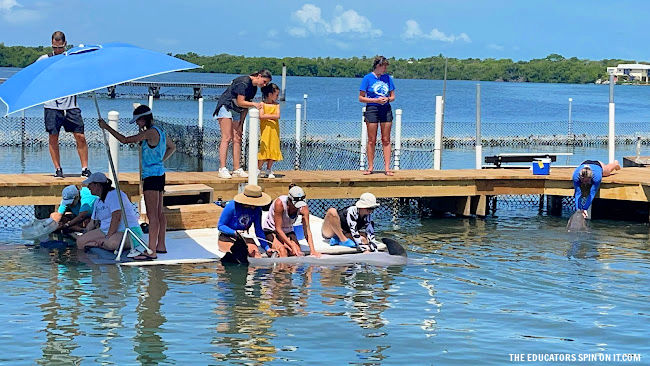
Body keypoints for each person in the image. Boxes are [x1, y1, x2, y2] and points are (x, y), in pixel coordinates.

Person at [99, 105, 176, 255]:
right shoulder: (161, 131)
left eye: (138, 120)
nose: (136, 123)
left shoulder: (149, 133)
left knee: (152, 215)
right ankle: (161, 245)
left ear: (144, 119)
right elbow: (172, 147)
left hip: (151, 178)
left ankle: (151, 250)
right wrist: (160, 160)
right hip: (160, 174)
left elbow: (125, 140)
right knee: (159, 213)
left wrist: (106, 127)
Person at [36, 31, 91, 179]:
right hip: (52, 105)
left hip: (70, 104)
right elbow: (34, 75)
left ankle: (85, 168)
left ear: (65, 44)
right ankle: (58, 169)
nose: (57, 50)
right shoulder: (44, 59)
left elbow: (84, 72)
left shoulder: (72, 59)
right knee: (53, 136)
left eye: (60, 47)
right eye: (55, 47)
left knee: (80, 136)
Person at [213, 70, 272, 179]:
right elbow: (241, 102)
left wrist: (241, 123)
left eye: (266, 83)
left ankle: (237, 169)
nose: (264, 85)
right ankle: (222, 168)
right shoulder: (244, 82)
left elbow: (245, 106)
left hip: (237, 110)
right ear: (259, 76)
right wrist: (254, 104)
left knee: (237, 138)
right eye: (264, 82)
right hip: (226, 106)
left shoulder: (253, 88)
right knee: (227, 137)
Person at [76, 173, 146, 258]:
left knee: (112, 243)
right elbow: (92, 223)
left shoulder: (114, 194)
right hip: (105, 231)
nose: (88, 187)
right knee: (80, 241)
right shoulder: (97, 201)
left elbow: (116, 218)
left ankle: (97, 243)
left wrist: (107, 237)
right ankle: (96, 246)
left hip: (126, 231)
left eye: (90, 184)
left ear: (97, 185)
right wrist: (85, 234)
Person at [359, 56, 396, 176]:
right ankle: (370, 167)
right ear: (378, 66)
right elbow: (361, 98)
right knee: (371, 140)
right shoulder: (367, 78)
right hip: (372, 109)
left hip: (385, 109)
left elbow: (393, 96)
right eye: (384, 66)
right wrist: (375, 100)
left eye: (386, 66)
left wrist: (387, 99)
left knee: (386, 139)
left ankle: (387, 168)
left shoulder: (387, 78)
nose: (385, 68)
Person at [217, 184, 273, 263]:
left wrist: (267, 248)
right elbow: (220, 226)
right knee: (237, 255)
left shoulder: (257, 210)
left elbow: (258, 230)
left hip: (244, 237)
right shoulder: (232, 206)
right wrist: (234, 232)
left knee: (256, 255)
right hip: (227, 236)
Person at [262, 185, 320, 257]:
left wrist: (313, 250)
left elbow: (307, 231)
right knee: (282, 251)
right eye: (295, 205)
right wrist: (291, 245)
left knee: (297, 252)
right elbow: (278, 229)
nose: (297, 207)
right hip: (272, 230)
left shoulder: (303, 207)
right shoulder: (279, 204)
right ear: (289, 200)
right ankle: (282, 268)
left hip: (288, 231)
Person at [257, 83, 283, 178]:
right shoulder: (262, 104)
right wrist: (272, 117)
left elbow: (278, 115)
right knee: (264, 148)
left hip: (274, 130)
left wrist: (267, 117)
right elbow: (261, 116)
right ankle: (258, 169)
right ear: (270, 94)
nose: (277, 97)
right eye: (276, 95)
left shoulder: (277, 105)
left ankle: (269, 169)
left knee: (273, 147)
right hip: (265, 130)